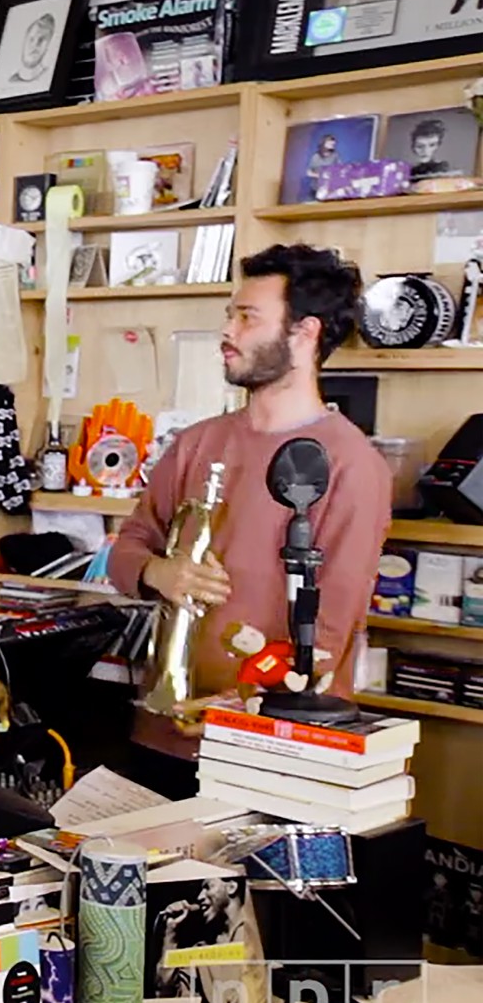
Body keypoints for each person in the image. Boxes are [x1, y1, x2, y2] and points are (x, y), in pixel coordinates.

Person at [109, 245, 389, 799]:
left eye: (247, 316)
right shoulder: (196, 443)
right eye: (229, 314)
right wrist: (158, 573)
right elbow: (126, 550)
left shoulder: (352, 466)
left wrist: (240, 708)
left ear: (304, 333)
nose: (227, 330)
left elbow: (329, 632)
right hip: (162, 735)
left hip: (273, 749)